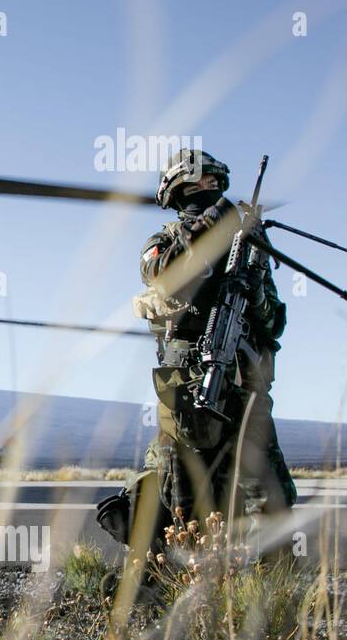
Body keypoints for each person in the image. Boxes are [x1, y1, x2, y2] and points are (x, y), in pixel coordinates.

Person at [124, 148, 295, 551]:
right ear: (178, 192)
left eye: (215, 185)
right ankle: (189, 592)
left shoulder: (248, 244)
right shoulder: (163, 241)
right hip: (190, 391)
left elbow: (274, 324)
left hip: (247, 391)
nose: (210, 191)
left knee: (271, 502)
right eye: (199, 185)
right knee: (187, 501)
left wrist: (253, 287)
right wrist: (211, 223)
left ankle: (275, 595)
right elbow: (163, 273)